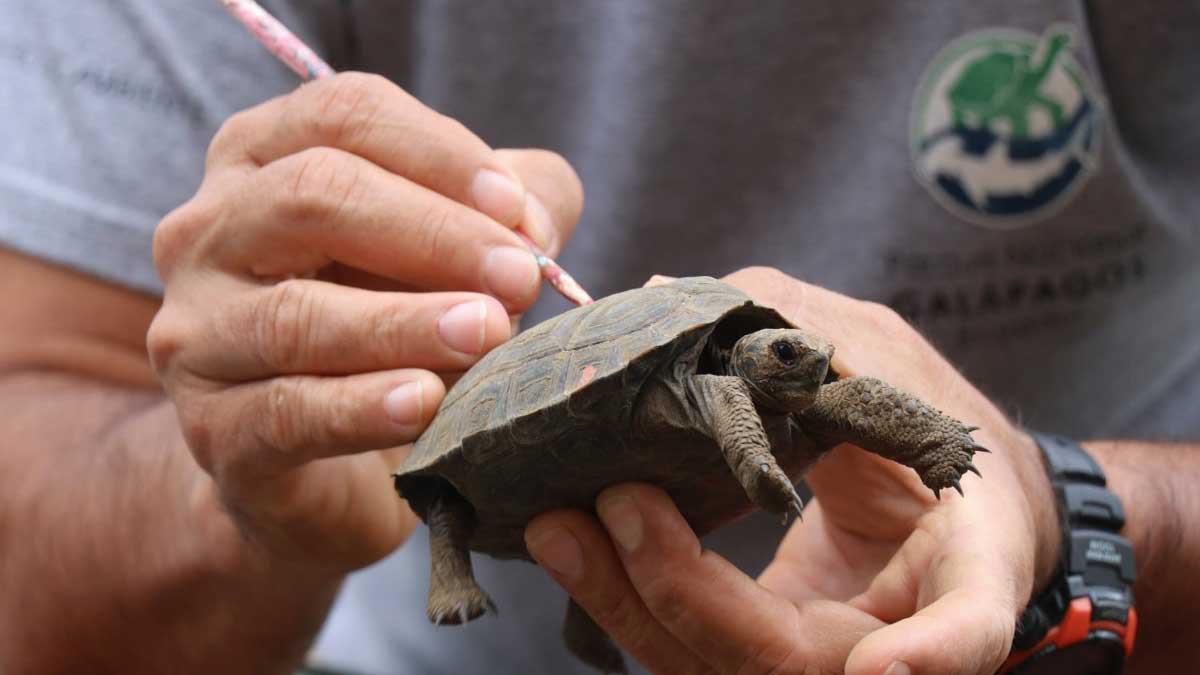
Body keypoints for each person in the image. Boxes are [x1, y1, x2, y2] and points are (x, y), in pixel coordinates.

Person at [1, 2, 1197, 674]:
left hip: (1098, 641)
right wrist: (244, 494)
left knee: (662, 514)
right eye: (775, 356)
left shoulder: (770, 383)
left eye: (784, 357)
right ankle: (486, 576)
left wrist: (1064, 508)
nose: (796, 372)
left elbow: (808, 398)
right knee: (561, 535)